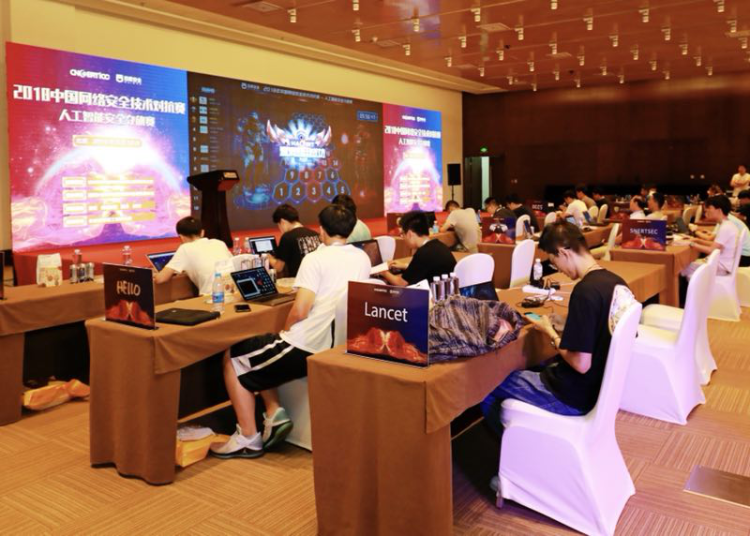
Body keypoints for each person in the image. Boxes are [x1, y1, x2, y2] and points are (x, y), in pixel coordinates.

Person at [210, 205, 371, 459]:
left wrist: (286, 329)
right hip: (337, 344)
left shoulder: (316, 259)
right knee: (259, 346)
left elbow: (301, 309)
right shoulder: (361, 257)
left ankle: (248, 438)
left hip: (307, 345)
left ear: (321, 230)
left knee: (233, 356)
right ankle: (273, 412)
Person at [481, 221, 630, 439]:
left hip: (571, 395)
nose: (559, 269)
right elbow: (603, 328)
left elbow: (580, 363)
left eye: (554, 262)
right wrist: (566, 323)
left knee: (487, 382)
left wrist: (550, 333)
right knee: (537, 366)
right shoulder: (617, 283)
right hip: (599, 391)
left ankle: (515, 451)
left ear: (563, 253)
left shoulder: (585, 292)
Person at [154, 216, 232, 295]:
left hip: (213, 296)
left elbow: (161, 279)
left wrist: (156, 275)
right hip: (233, 290)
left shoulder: (185, 248)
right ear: (202, 232)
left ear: (181, 237)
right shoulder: (219, 243)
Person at [383, 211, 456, 286]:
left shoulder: (423, 253)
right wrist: (405, 266)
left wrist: (383, 272)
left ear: (410, 234)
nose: (403, 238)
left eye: (402, 234)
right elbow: (425, 267)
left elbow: (401, 283)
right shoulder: (438, 245)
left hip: (434, 292)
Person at [682, 195, 740, 279]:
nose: (706, 210)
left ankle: (692, 287)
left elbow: (711, 250)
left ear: (719, 210)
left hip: (719, 267)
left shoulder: (726, 228)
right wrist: (696, 240)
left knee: (682, 267)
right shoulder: (727, 225)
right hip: (722, 265)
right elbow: (716, 245)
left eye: (709, 208)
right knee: (684, 265)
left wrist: (691, 244)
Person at [269, 204, 320, 277]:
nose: (280, 230)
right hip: (318, 278)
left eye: (279, 226)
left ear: (282, 222)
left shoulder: (287, 237)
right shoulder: (315, 234)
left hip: (299, 280)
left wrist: (268, 257)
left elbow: (278, 268)